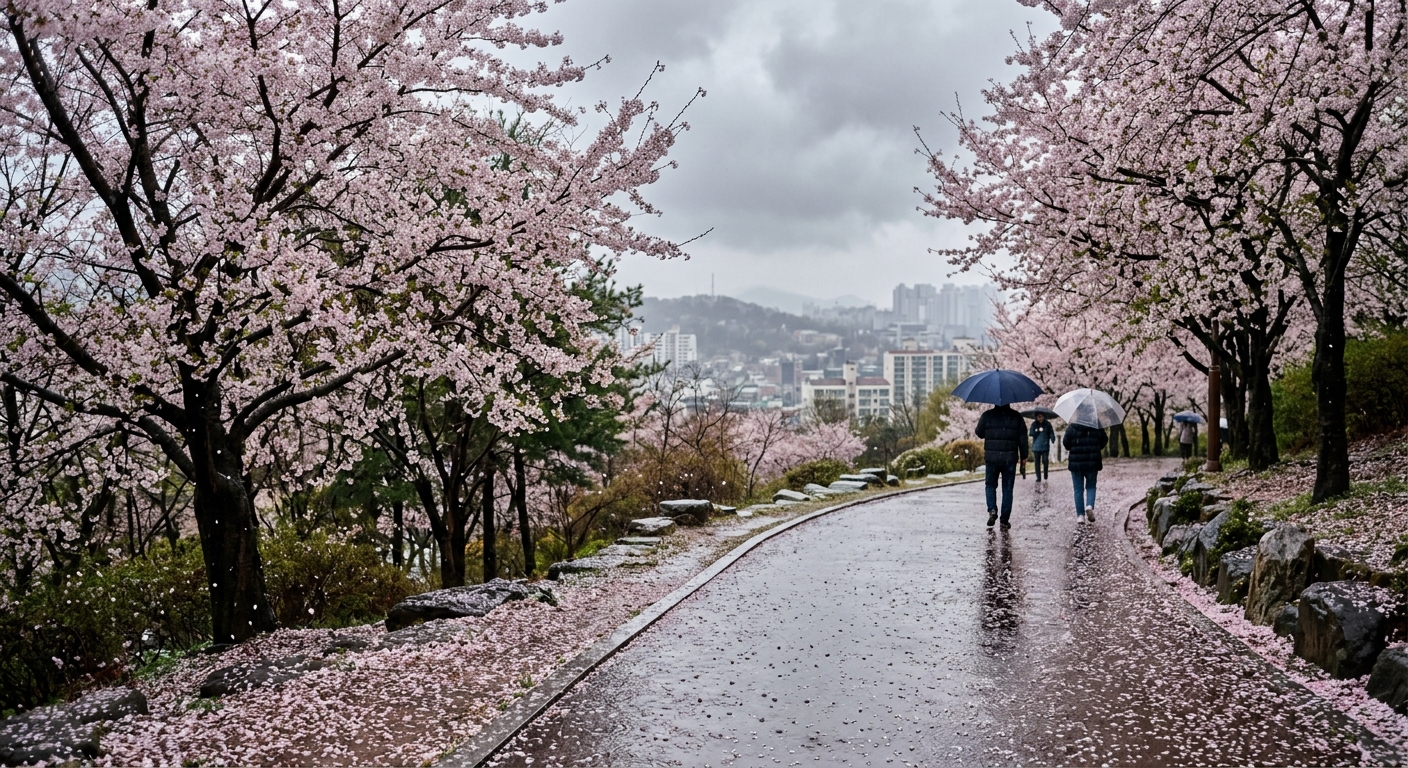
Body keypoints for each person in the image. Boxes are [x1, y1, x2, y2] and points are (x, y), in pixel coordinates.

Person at [975, 404, 1029, 530]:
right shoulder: (1016, 417)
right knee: (1007, 489)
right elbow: (1023, 439)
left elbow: (979, 433)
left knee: (990, 485)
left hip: (992, 458)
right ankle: (1004, 520)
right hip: (1009, 459)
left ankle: (992, 510)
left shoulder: (987, 415)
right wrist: (1024, 457)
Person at [1063, 422, 1108, 522]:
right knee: (1091, 486)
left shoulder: (1072, 426)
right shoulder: (1097, 425)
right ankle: (1089, 505)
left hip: (1076, 463)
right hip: (1092, 461)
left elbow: (1066, 444)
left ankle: (1080, 516)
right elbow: (1104, 440)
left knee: (1078, 489)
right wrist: (1095, 448)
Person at [1028, 413, 1055, 483]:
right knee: (1037, 463)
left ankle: (1045, 473)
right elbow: (1030, 433)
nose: (1040, 418)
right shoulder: (1034, 424)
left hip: (1045, 446)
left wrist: (1052, 438)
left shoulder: (1047, 424)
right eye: (1038, 417)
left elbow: (1051, 432)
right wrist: (1036, 431)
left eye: (1041, 416)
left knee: (1045, 461)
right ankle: (1038, 477)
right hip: (1036, 447)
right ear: (1036, 417)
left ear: (1044, 417)